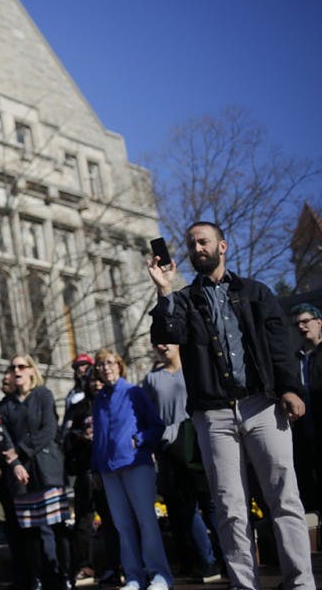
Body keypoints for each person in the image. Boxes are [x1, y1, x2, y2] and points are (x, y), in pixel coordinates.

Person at [147, 221, 314, 590]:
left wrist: (290, 389)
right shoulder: (186, 300)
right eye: (191, 244)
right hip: (214, 415)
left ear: (222, 246)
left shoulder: (256, 292)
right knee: (229, 509)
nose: (196, 248)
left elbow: (280, 346)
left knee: (284, 497)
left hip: (262, 405)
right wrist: (164, 291)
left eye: (203, 242)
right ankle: (243, 585)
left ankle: (301, 583)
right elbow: (166, 335)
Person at [90, 349, 172, 590]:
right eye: (101, 365)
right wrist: (96, 468)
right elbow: (98, 438)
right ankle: (134, 576)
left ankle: (160, 575)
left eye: (110, 363)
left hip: (136, 463)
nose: (106, 368)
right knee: (122, 525)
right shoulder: (99, 400)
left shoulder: (134, 392)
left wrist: (139, 439)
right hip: (108, 470)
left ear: (119, 365)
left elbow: (156, 426)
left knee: (147, 521)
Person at [140, 343, 219, 581]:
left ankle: (227, 557)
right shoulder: (152, 379)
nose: (162, 346)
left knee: (212, 503)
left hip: (198, 441)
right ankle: (208, 561)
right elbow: (146, 415)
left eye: (167, 340)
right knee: (186, 507)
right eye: (157, 343)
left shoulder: (195, 368)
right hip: (169, 448)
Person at [0, 355, 68, 590]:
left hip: (46, 470)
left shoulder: (43, 395)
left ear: (32, 371)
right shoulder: (6, 406)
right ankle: (38, 578)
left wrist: (20, 452)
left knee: (55, 527)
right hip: (22, 475)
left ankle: (61, 576)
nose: (17, 371)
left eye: (21, 366)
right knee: (30, 530)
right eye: (13, 368)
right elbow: (3, 439)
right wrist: (15, 464)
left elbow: (48, 430)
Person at [61, 363, 120, 586]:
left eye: (99, 379)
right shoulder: (78, 409)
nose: (95, 384)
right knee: (83, 521)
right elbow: (64, 438)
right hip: (85, 471)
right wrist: (80, 437)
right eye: (91, 380)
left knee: (112, 520)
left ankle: (116, 565)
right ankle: (84, 566)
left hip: (109, 471)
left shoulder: (111, 404)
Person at [292, 302, 322, 513]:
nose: (302, 327)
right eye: (297, 324)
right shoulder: (295, 360)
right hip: (303, 436)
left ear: (319, 323)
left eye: (305, 321)